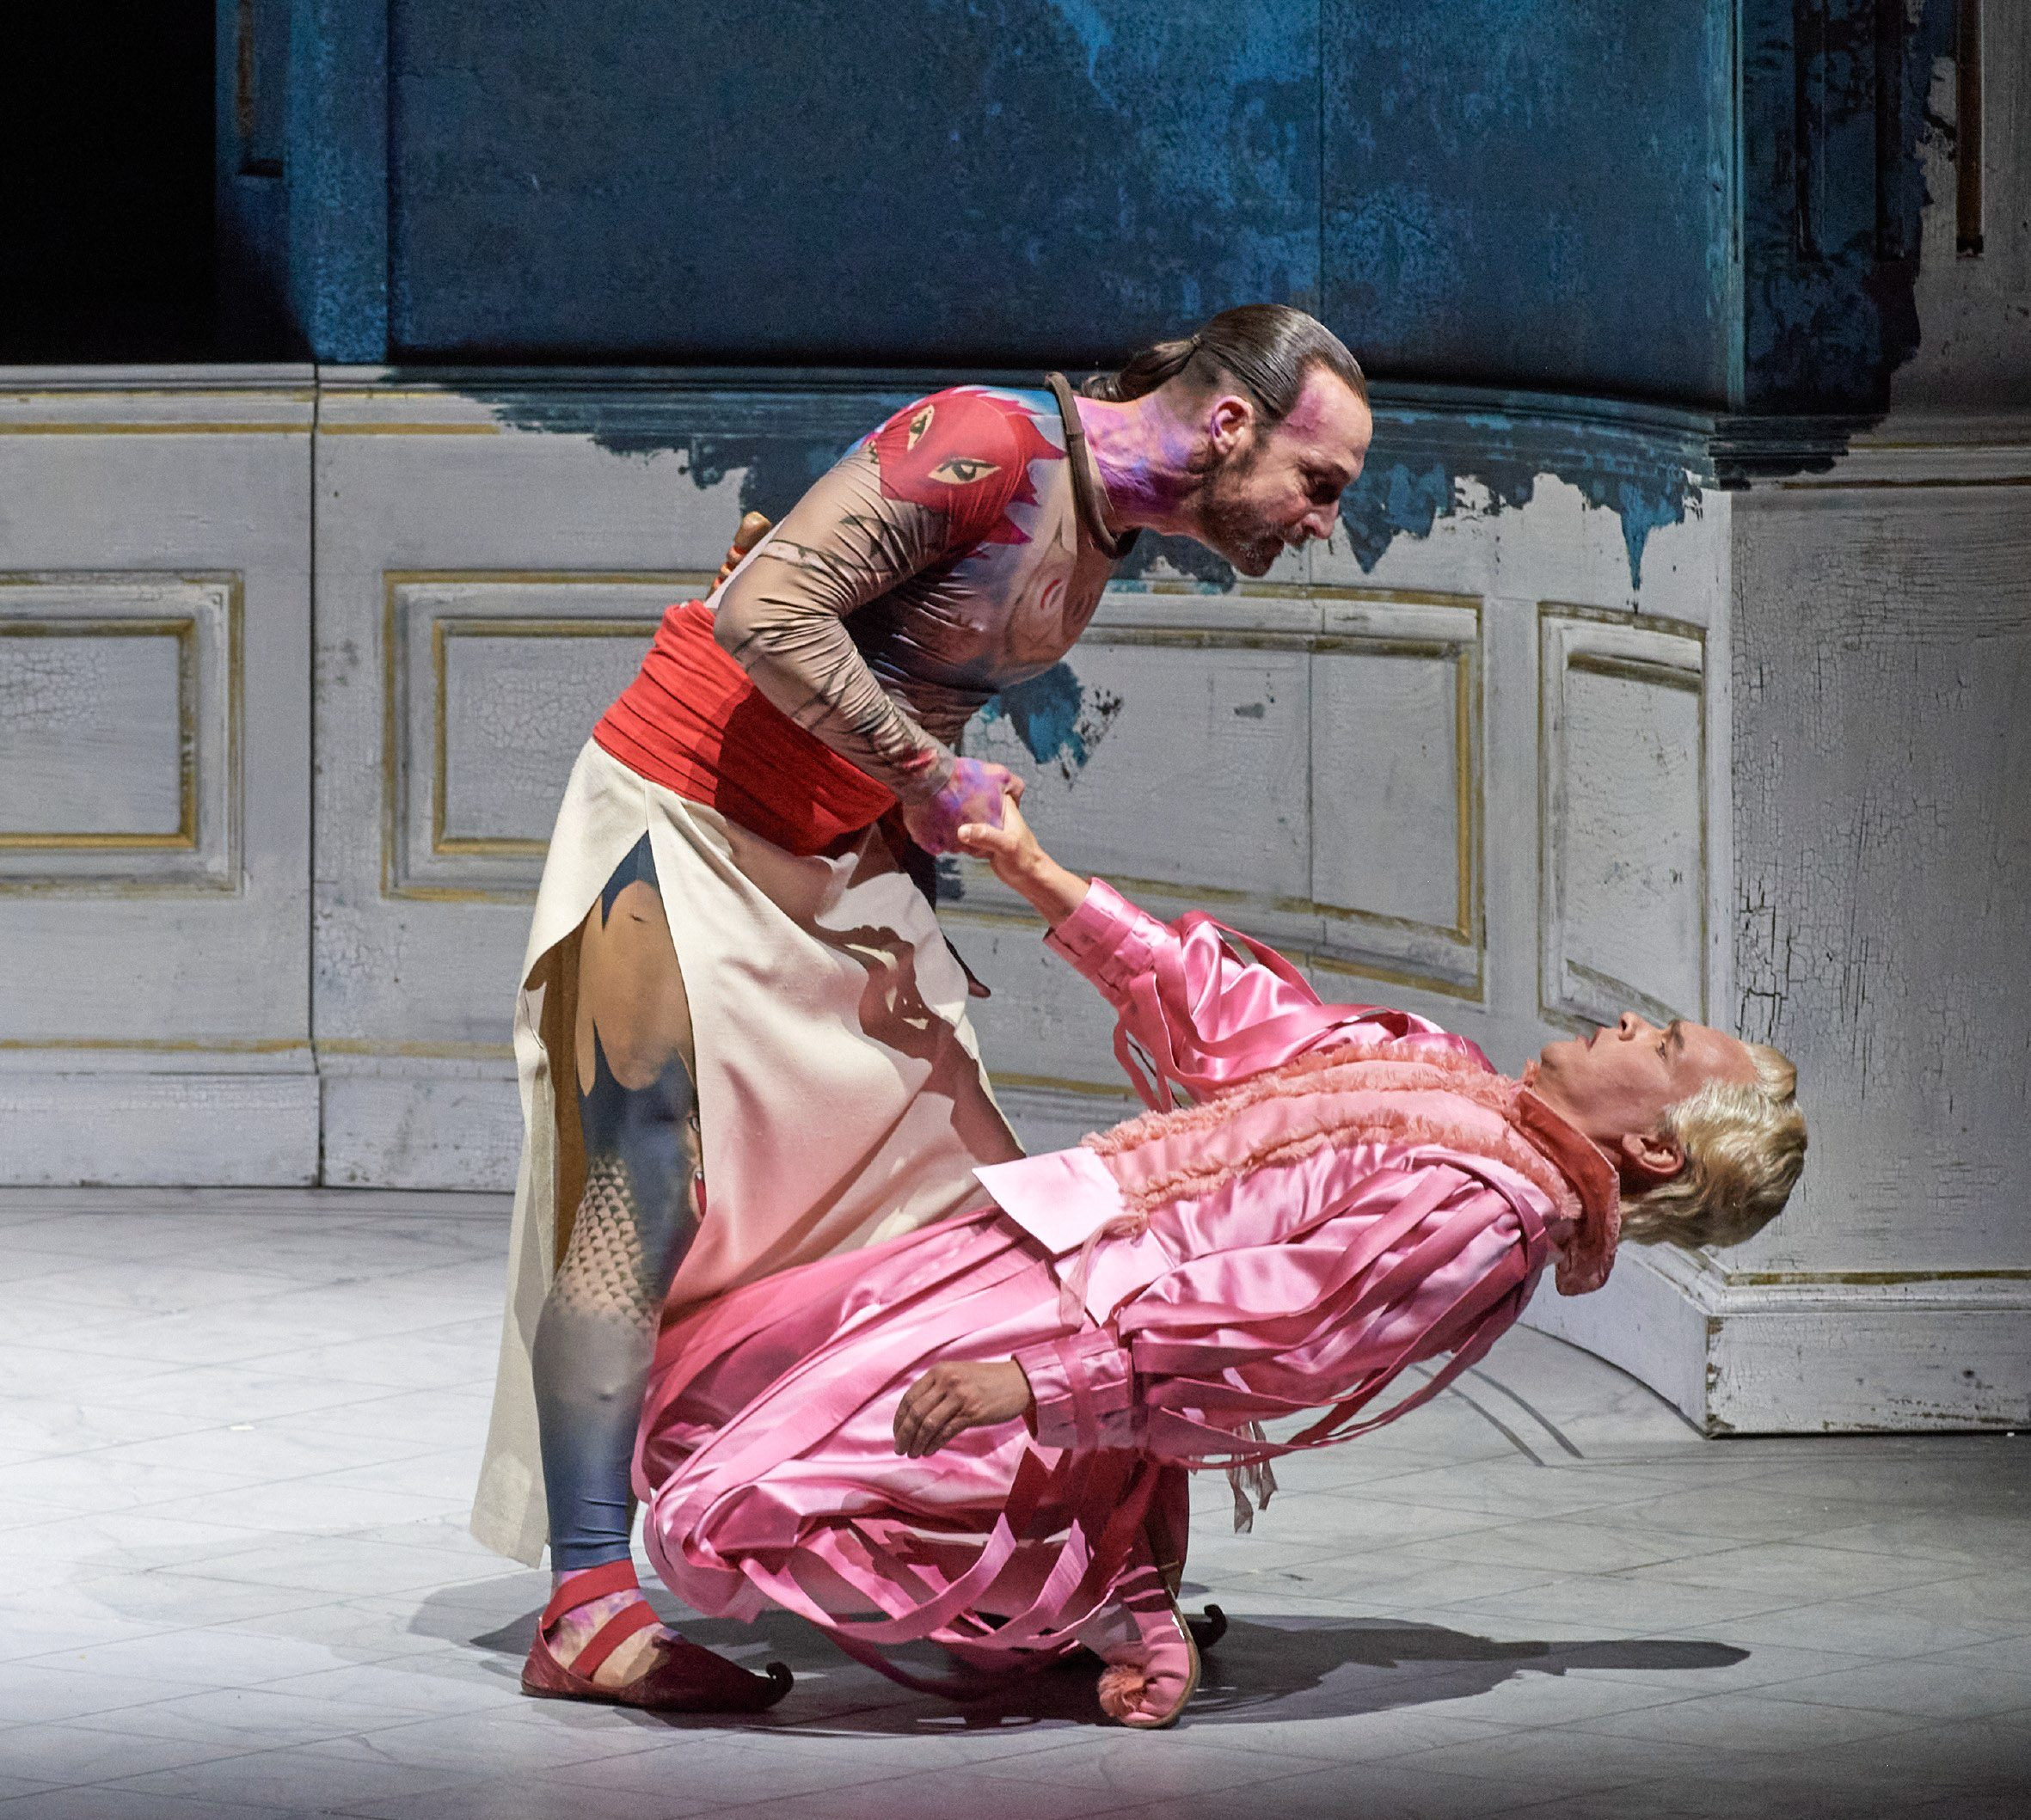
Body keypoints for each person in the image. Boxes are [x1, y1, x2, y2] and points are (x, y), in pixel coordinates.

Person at [472, 304, 1379, 1708]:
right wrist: (917, 772)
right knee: (637, 1183)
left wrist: (898, 830)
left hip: (831, 872)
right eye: (1319, 482)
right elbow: (761, 611)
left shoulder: (1099, 532)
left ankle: (1051, 1587)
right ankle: (586, 1606)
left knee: (987, 1231)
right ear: (1227, 424)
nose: (1321, 519)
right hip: (677, 830)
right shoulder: (988, 438)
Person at [632, 792, 1807, 1727]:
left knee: (709, 1523)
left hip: (1069, 1322)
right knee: (695, 1382)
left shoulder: (1483, 1209)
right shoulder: (1455, 1077)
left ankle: (1090, 1589)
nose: (1623, 1023)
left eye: (1655, 1042)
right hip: (1045, 1240)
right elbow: (1240, 1017)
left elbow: (1280, 1327)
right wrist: (1038, 874)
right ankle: (1067, 1571)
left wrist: (1040, 1383)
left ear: (1655, 1140)